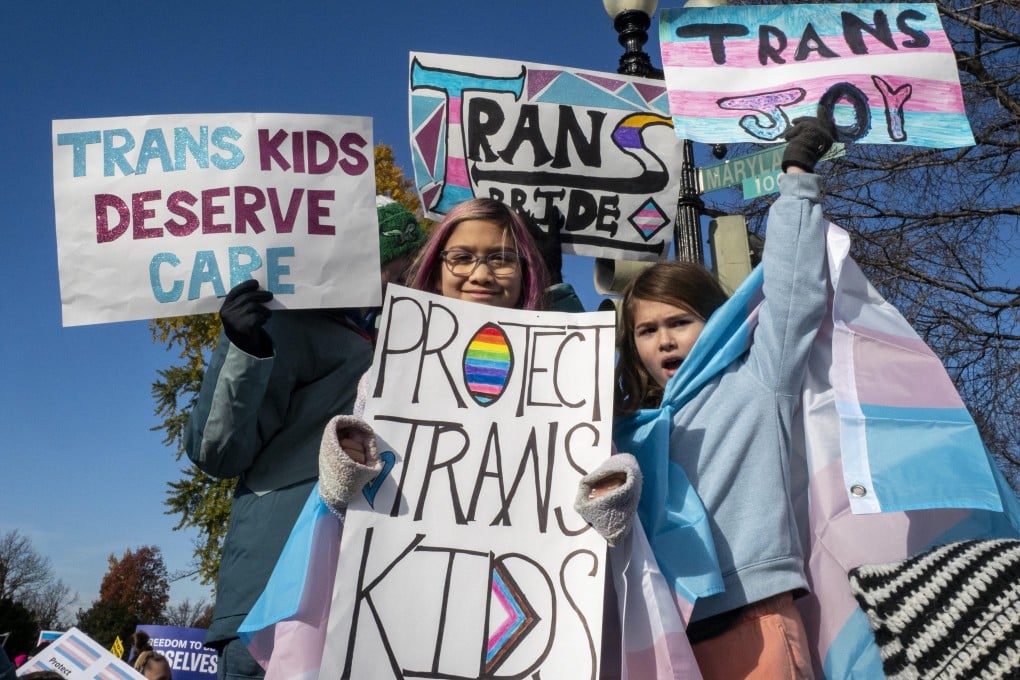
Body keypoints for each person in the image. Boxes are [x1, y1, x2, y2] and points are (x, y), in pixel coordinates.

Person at [239, 196, 646, 679]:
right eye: (462, 257)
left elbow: (597, 482)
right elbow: (350, 506)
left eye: (501, 257)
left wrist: (611, 495)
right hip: (413, 614)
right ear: (435, 270)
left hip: (534, 624)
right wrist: (342, 470)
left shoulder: (569, 373)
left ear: (525, 273)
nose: (481, 273)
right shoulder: (390, 374)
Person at [613, 116, 836, 679]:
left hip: (751, 619)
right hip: (657, 632)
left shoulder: (758, 379)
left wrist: (797, 177)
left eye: (680, 321)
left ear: (712, 323)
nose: (664, 339)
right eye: (646, 330)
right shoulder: (627, 428)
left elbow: (792, 288)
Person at [185, 196, 427, 680]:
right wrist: (243, 350)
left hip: (368, 595)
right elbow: (218, 450)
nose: (407, 284)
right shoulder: (287, 323)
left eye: (412, 271)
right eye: (398, 269)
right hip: (275, 600)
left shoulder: (409, 341)